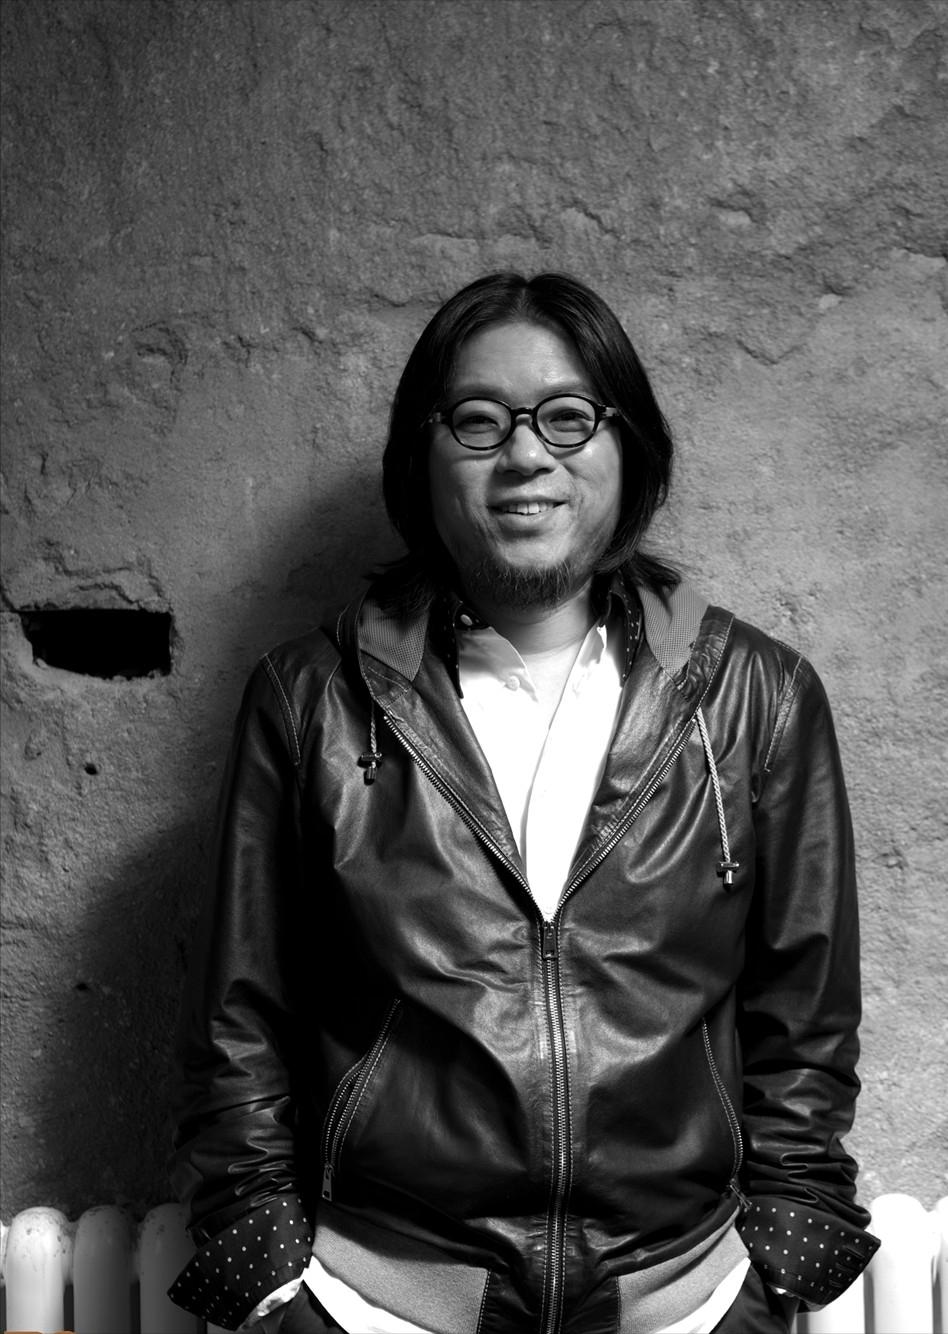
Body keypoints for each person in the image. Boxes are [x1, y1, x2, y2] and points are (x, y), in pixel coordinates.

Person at [168, 273, 879, 1334]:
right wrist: (274, 1287)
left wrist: (779, 1267)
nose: (526, 454)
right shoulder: (309, 699)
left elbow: (807, 1022)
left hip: (684, 1302)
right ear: (421, 456)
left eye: (568, 415)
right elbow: (240, 1016)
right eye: (478, 419)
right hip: (375, 1301)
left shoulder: (757, 696)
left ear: (629, 445)